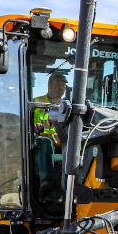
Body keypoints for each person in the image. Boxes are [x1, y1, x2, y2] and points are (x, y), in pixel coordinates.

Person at [33, 71, 67, 204]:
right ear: (49, 85)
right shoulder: (38, 102)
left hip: (62, 142)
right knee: (45, 143)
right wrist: (35, 125)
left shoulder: (67, 105)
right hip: (44, 142)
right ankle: (45, 183)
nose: (61, 87)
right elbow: (33, 123)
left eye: (63, 85)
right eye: (58, 84)